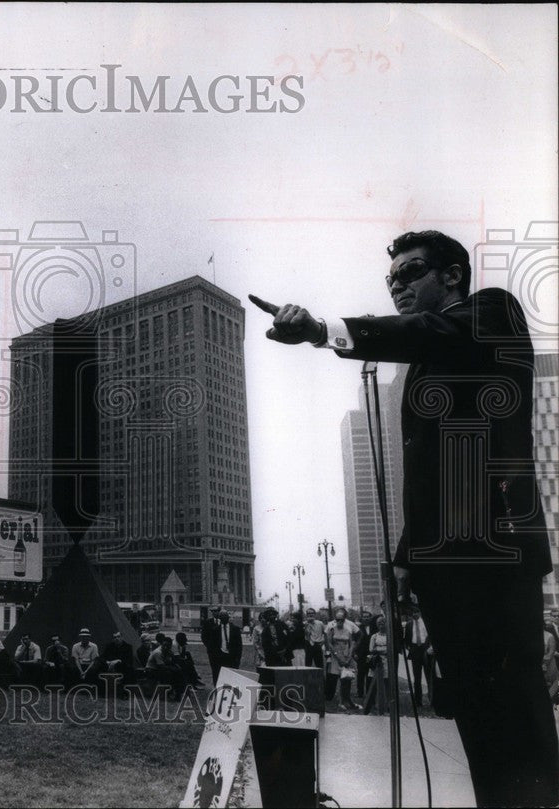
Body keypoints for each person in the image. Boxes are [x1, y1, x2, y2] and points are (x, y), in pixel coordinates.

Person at [252, 229, 559, 805]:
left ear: (452, 275)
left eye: (411, 272)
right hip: (444, 565)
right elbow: (429, 475)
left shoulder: (490, 312)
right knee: (477, 714)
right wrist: (403, 560)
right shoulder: (425, 361)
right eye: (391, 279)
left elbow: (435, 332)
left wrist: (323, 331)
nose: (398, 285)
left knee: (513, 715)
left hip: (492, 554)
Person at [325, 608, 359, 712]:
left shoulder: (348, 630)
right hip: (336, 658)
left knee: (347, 679)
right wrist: (336, 656)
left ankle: (347, 700)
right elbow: (329, 644)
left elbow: (351, 644)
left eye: (342, 620)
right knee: (339, 678)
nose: (339, 622)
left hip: (346, 656)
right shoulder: (332, 629)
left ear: (344, 620)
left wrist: (349, 656)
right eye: (337, 620)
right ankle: (341, 702)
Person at [201, 607, 243, 685]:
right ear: (220, 618)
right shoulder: (215, 630)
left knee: (231, 678)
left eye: (225, 616)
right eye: (221, 617)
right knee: (218, 678)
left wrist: (238, 659)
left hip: (231, 657)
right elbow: (211, 646)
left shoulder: (235, 629)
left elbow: (239, 646)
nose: (223, 618)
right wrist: (213, 657)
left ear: (228, 617)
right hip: (219, 658)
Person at [403, 605, 433, 707]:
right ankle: (418, 702)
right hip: (415, 651)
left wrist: (429, 648)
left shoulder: (425, 623)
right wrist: (409, 647)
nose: (414, 614)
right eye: (412, 613)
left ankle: (432, 700)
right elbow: (406, 639)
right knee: (417, 678)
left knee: (429, 676)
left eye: (416, 612)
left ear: (420, 613)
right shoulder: (409, 624)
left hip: (426, 650)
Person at [363, 616, 389, 716]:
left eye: (383, 622)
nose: (381, 625)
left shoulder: (389, 636)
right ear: (377, 625)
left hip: (386, 662)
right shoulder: (374, 636)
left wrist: (379, 649)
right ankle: (373, 704)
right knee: (375, 684)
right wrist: (382, 650)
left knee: (386, 683)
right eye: (379, 623)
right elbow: (371, 649)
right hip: (377, 662)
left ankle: (386, 705)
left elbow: (390, 650)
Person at [354, 610, 377, 700]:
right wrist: (354, 653)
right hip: (361, 655)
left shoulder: (374, 628)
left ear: (370, 618)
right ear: (362, 618)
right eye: (364, 617)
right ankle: (360, 693)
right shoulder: (358, 629)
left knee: (370, 674)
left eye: (368, 617)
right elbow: (355, 642)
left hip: (371, 654)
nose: (366, 618)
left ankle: (369, 692)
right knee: (360, 674)